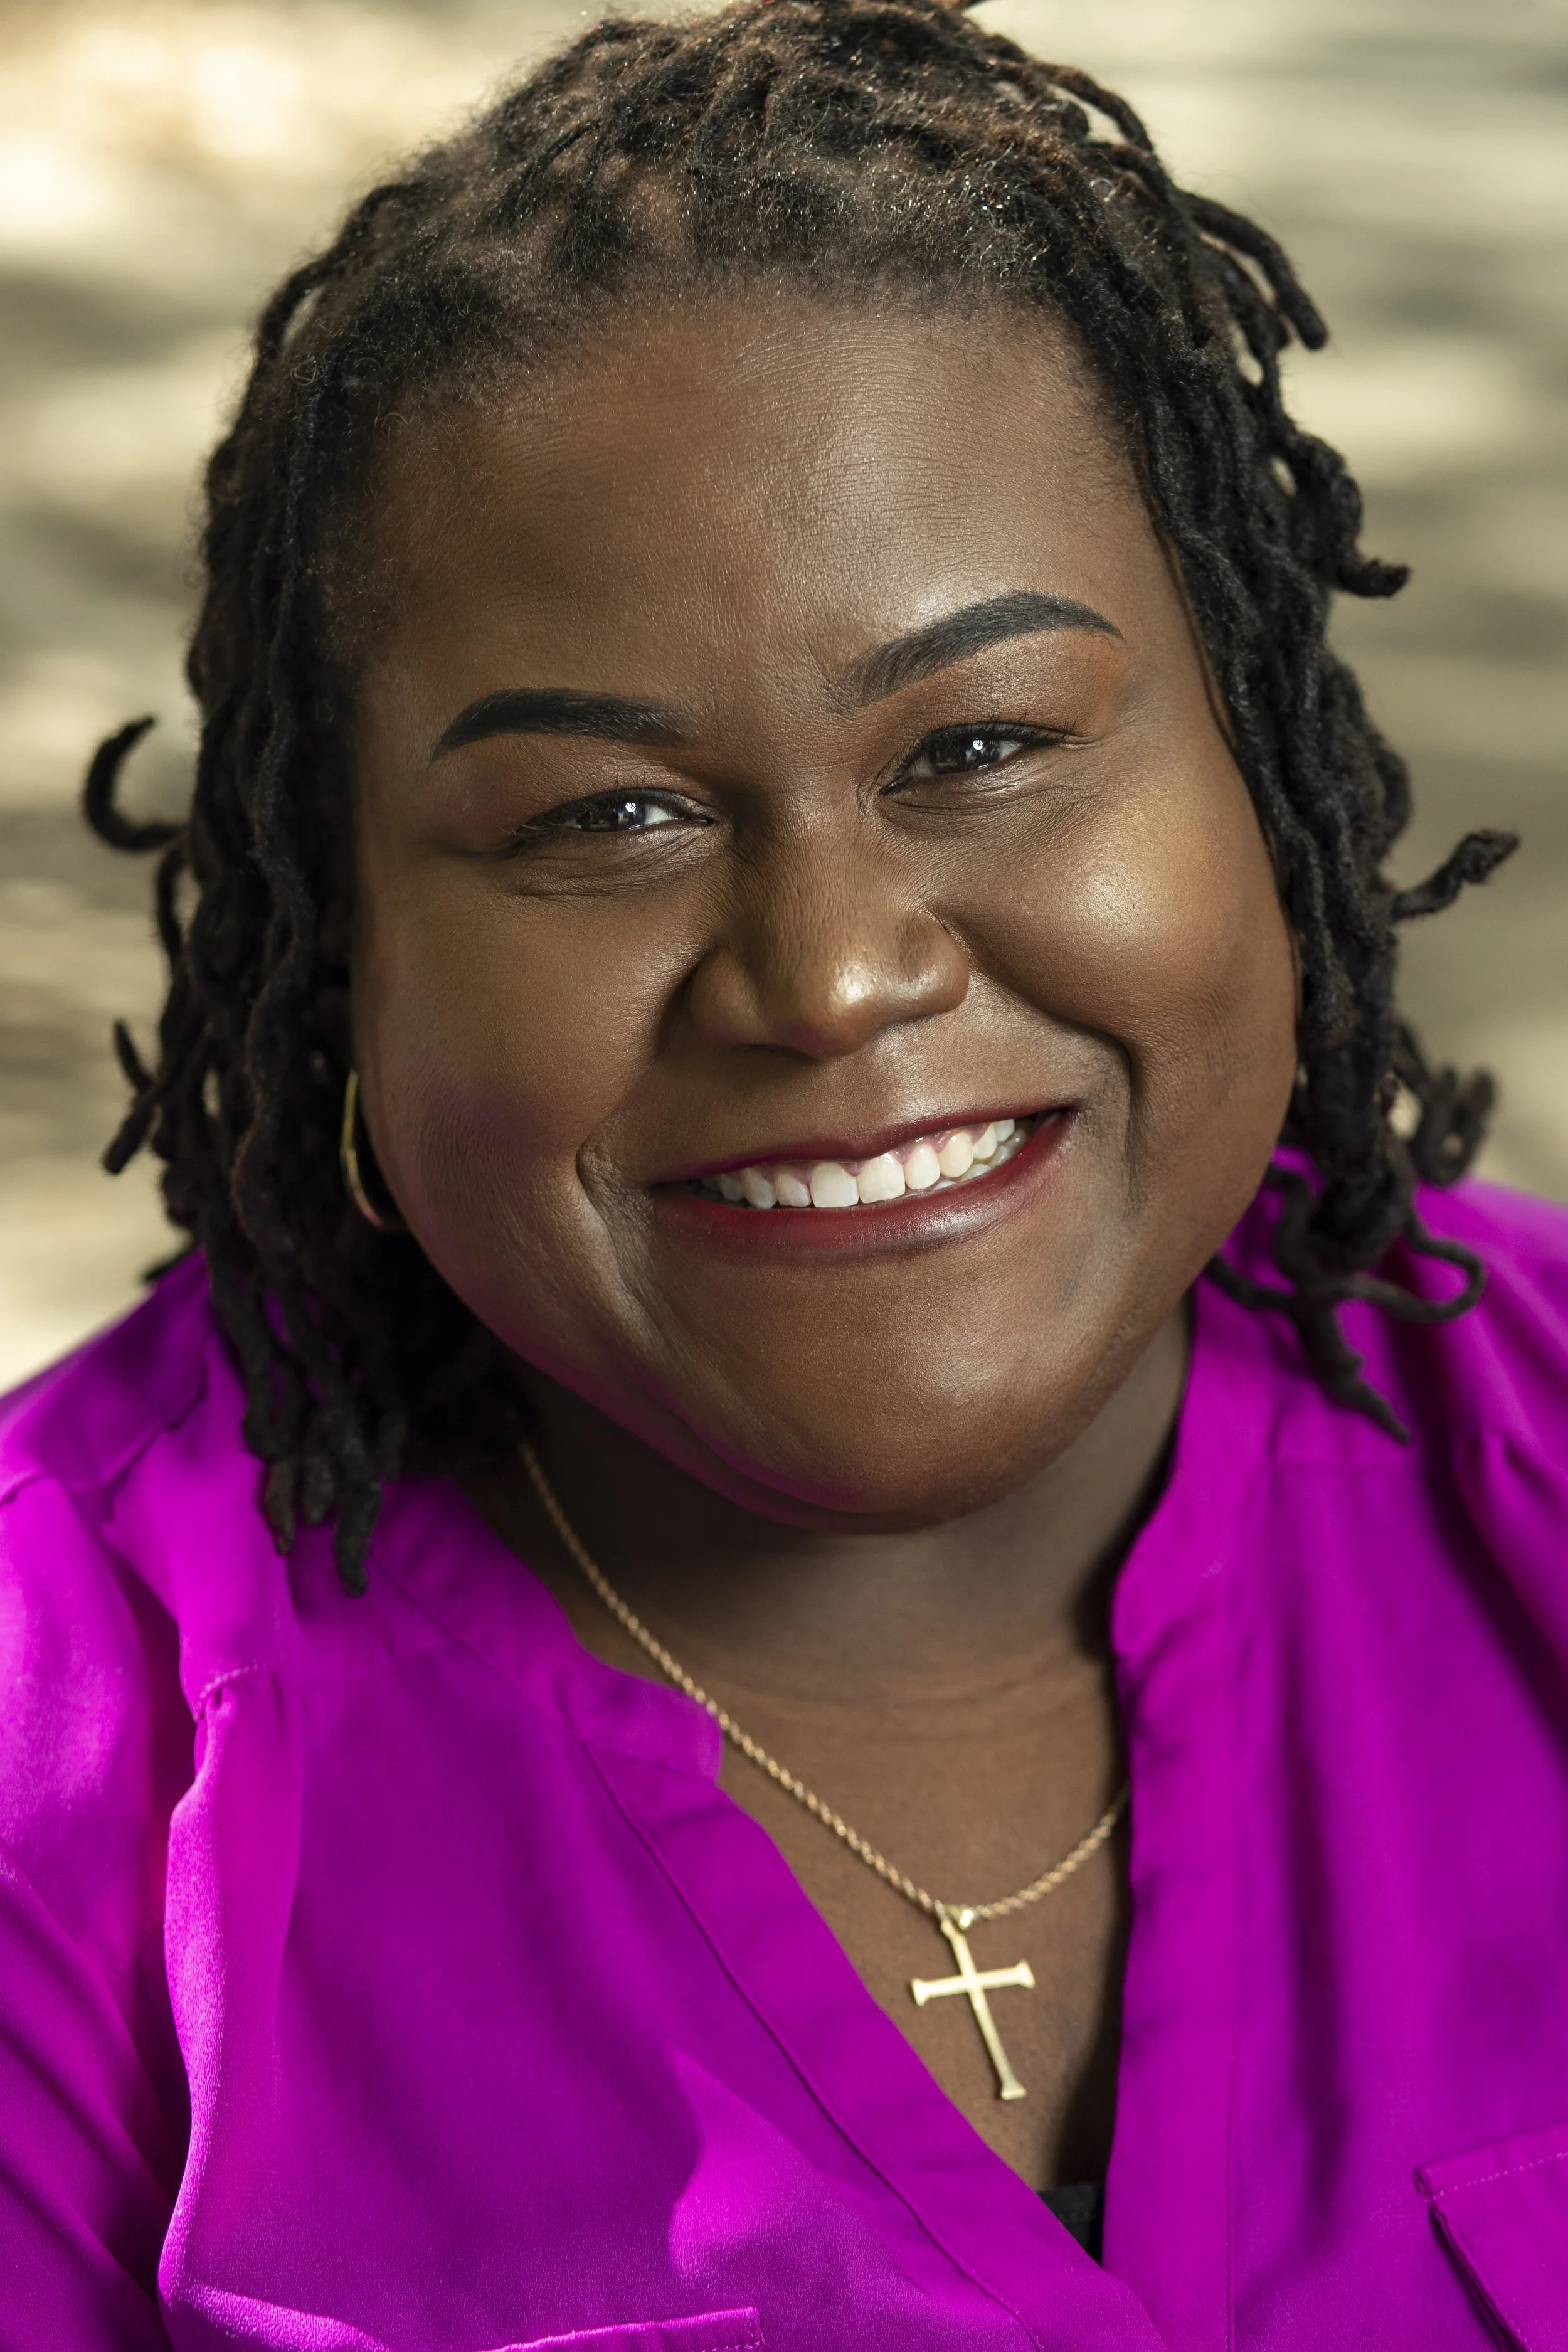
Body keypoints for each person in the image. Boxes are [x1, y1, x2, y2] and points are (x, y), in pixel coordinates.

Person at [3, 0, 1565, 2342]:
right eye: (601, 816)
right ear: (343, 949)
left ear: (1265, 775)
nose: (827, 980)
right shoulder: (69, 1765)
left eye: (982, 741)